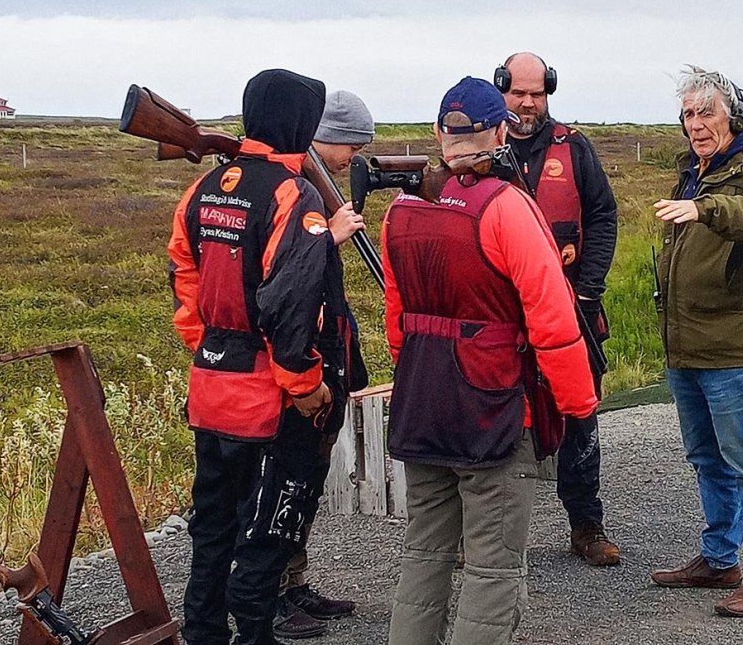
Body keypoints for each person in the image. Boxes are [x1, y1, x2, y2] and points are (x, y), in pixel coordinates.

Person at [384, 76, 598, 645]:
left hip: (422, 403)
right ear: (500, 131)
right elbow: (554, 324)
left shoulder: (399, 210)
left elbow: (398, 321)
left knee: (423, 553)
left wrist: (417, 377)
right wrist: (579, 406)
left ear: (438, 134)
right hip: (493, 408)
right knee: (493, 567)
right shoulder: (506, 208)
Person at [169, 68, 366, 645]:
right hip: (269, 398)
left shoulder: (203, 186)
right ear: (302, 123)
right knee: (267, 532)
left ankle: (203, 633)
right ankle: (255, 634)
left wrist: (204, 343)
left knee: (211, 529)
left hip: (211, 383)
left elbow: (182, 271)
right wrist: (306, 388)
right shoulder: (292, 194)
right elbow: (292, 302)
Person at [650, 65, 743, 617]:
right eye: (688, 114)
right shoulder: (693, 169)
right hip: (686, 344)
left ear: (731, 113)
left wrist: (706, 208)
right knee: (707, 459)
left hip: (735, 344)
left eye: (705, 112)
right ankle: (719, 559)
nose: (695, 124)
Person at [495, 52, 620, 566]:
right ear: (501, 89)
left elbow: (604, 216)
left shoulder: (575, 149)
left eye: (537, 93)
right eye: (518, 92)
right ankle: (487, 537)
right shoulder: (482, 147)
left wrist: (588, 291)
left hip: (571, 311)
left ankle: (585, 525)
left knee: (579, 416)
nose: (528, 102)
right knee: (495, 419)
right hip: (500, 320)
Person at [271, 89, 375, 640]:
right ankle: (270, 593)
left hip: (327, 347)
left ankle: (293, 582)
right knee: (284, 479)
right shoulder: (290, 190)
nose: (353, 159)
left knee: (306, 477)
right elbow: (282, 284)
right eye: (350, 147)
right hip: (301, 358)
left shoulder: (313, 185)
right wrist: (327, 239)